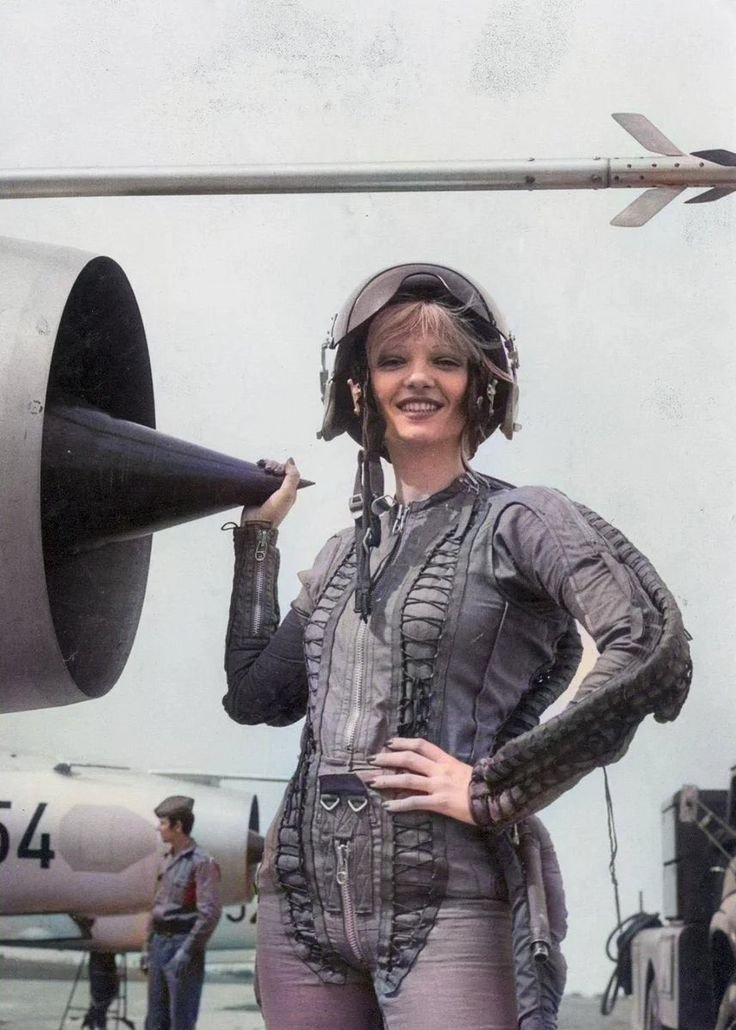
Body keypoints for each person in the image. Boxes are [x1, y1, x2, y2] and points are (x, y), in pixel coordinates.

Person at [222, 264, 691, 1030]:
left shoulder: (523, 519)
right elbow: (254, 697)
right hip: (299, 915)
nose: (418, 379)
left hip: (450, 908)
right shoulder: (340, 556)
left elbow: (647, 644)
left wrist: (494, 788)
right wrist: (257, 540)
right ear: (357, 389)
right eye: (392, 360)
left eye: (445, 361)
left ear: (482, 384)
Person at [142, 795, 222, 1030]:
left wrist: (186, 952)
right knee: (155, 1021)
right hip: (160, 944)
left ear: (178, 827)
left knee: (181, 1021)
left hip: (182, 946)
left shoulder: (202, 862)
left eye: (163, 823)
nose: (158, 828)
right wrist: (147, 947)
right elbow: (157, 906)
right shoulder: (167, 859)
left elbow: (209, 913)